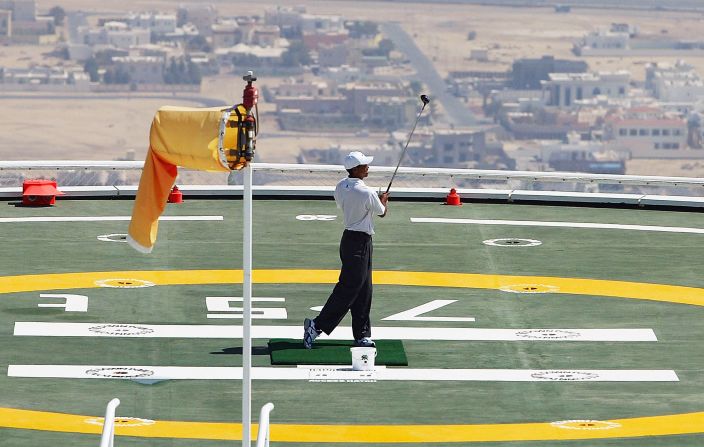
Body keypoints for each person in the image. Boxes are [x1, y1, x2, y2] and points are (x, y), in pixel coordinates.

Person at [303, 151, 388, 349]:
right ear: (356, 169)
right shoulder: (367, 192)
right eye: (365, 165)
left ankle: (362, 334)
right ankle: (316, 326)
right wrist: (382, 199)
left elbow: (349, 203)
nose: (368, 167)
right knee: (348, 289)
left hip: (349, 240)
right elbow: (382, 213)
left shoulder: (341, 186)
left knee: (364, 289)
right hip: (360, 243)